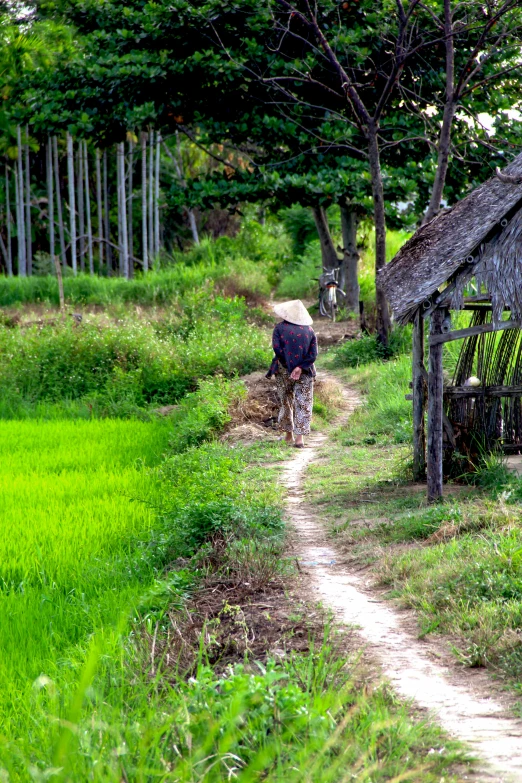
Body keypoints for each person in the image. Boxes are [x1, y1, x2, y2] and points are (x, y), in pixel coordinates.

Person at [266, 300, 318, 448]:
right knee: (304, 402)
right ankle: (299, 439)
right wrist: (300, 367)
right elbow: (313, 354)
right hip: (305, 371)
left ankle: (288, 435)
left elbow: (278, 349)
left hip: (283, 369)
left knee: (286, 401)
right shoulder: (309, 331)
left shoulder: (279, 329)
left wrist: (290, 366)